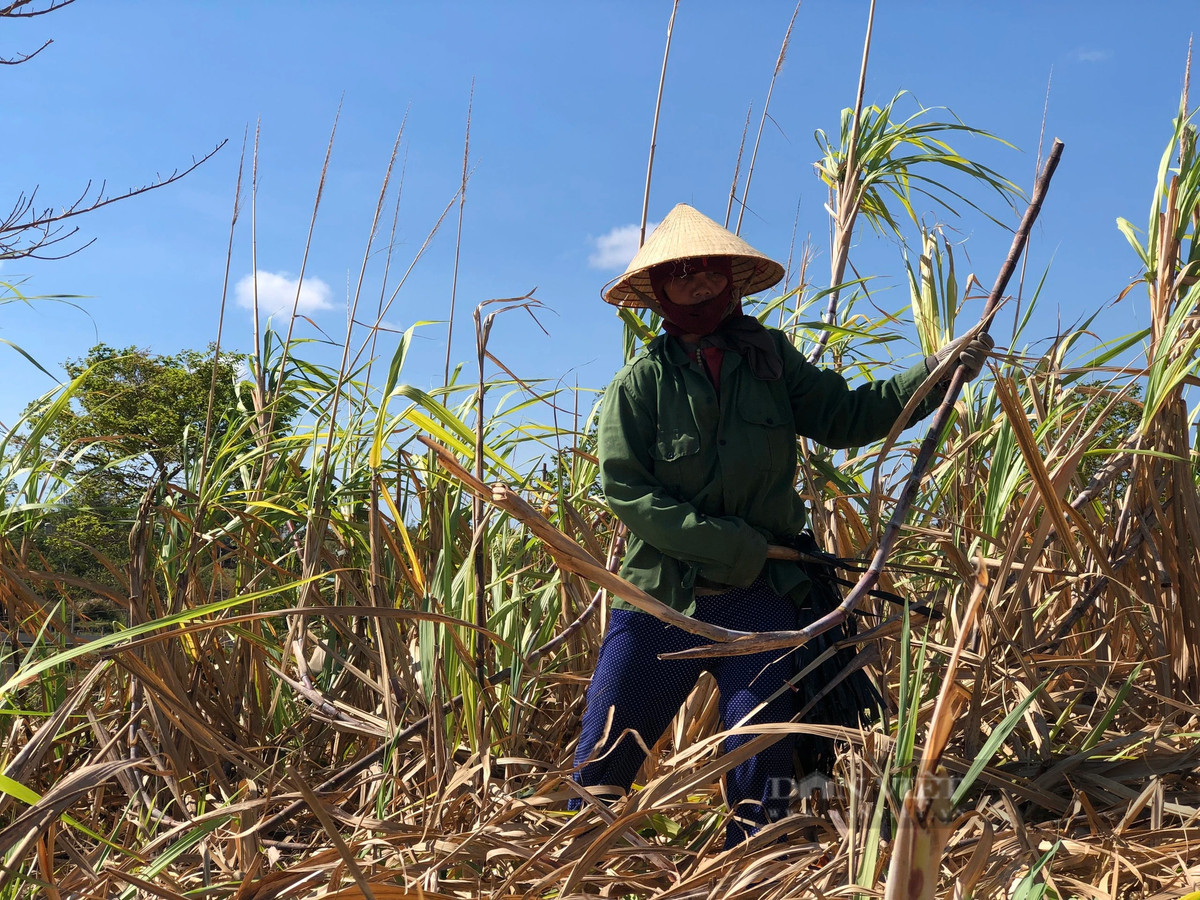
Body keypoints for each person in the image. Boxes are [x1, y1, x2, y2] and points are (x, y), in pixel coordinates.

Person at [569, 203, 993, 848]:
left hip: (764, 592)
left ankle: (757, 857)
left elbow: (848, 415)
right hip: (663, 591)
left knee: (763, 741)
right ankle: (588, 858)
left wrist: (936, 373)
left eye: (707, 270)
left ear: (730, 278)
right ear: (657, 292)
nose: (696, 284)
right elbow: (625, 490)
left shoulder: (770, 363)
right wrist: (727, 544)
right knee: (607, 745)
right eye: (679, 275)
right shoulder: (641, 384)